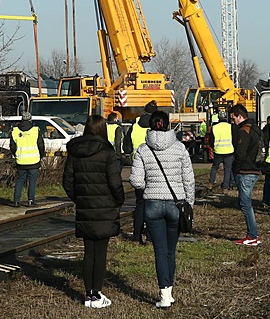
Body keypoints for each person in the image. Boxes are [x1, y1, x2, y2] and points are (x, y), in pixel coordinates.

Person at [130, 109, 195, 310]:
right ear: (168, 125)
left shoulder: (143, 149)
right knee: (170, 250)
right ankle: (170, 292)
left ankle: (163, 293)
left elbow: (136, 180)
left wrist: (148, 185)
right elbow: (189, 180)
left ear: (150, 125)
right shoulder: (180, 148)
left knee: (159, 251)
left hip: (152, 204)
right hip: (176, 204)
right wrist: (189, 203)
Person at [63, 114, 125, 309]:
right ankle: (97, 294)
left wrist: (79, 197)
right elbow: (115, 182)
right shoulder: (107, 152)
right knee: (101, 252)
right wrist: (118, 200)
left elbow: (67, 182)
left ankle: (88, 294)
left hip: (85, 208)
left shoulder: (75, 152)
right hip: (105, 208)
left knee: (88, 252)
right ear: (103, 130)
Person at [124, 100, 158, 244]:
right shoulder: (157, 126)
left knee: (140, 205)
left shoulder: (134, 126)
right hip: (153, 169)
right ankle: (150, 236)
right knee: (153, 205)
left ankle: (136, 236)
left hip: (138, 167)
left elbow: (126, 147)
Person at [229, 104, 262, 245]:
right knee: (246, 203)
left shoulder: (243, 131)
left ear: (240, 116)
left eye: (233, 118)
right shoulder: (256, 129)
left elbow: (240, 153)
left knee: (245, 204)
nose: (232, 122)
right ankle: (252, 235)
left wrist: (235, 170)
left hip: (245, 170)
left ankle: (252, 236)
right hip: (254, 169)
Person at [10, 113, 45, 207]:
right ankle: (30, 200)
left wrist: (16, 155)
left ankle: (16, 201)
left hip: (20, 160)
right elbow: (41, 145)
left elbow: (12, 146)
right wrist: (41, 156)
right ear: (30, 119)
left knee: (20, 180)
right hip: (34, 161)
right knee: (32, 181)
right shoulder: (35, 130)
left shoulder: (15, 130)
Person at [207, 111, 235, 191]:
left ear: (218, 118)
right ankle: (225, 187)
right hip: (229, 151)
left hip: (218, 151)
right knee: (227, 169)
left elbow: (211, 140)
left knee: (215, 167)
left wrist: (214, 147)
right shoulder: (230, 127)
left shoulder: (215, 127)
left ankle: (211, 183)